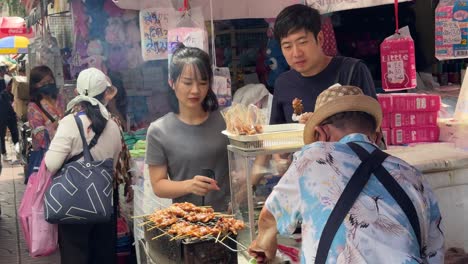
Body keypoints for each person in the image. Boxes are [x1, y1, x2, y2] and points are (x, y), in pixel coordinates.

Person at [249, 85, 444, 264]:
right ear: (375, 137)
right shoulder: (413, 175)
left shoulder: (314, 158)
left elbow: (270, 217)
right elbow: (434, 251)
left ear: (321, 135)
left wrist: (265, 247)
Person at [44, 67, 122, 264]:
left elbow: (52, 165)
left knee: (75, 255)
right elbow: (113, 163)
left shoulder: (69, 123)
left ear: (77, 93)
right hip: (103, 201)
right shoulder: (113, 125)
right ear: (106, 93)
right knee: (103, 254)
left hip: (73, 201)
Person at [145, 44, 230, 212]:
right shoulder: (158, 131)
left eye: (203, 83)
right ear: (172, 82)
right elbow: (158, 185)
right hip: (187, 225)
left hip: (229, 220)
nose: (195, 90)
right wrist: (189, 186)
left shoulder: (226, 121)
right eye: (187, 83)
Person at [270, 4, 377, 125]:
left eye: (303, 42)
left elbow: (372, 127)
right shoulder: (283, 83)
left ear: (320, 38)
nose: (296, 53)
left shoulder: (352, 71)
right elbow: (276, 132)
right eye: (287, 46)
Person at [27, 65, 65, 152]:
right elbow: (39, 136)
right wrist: (54, 127)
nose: (48, 85)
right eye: (43, 84)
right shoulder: (33, 107)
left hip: (67, 146)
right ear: (35, 85)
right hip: (49, 152)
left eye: (50, 81)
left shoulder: (60, 98)